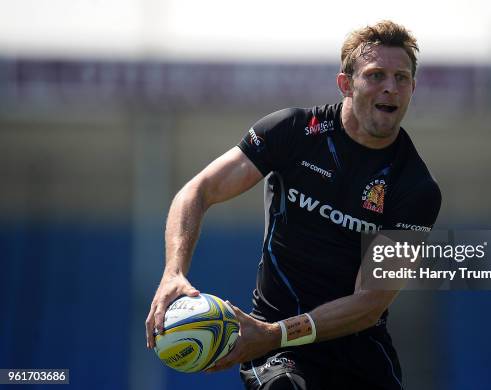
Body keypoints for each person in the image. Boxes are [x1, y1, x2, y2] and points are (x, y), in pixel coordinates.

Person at [145, 20, 441, 390]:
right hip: (279, 352)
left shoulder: (415, 187)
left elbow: (369, 303)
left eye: (401, 78)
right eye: (376, 74)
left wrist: (274, 333)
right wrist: (173, 272)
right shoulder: (293, 132)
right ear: (345, 84)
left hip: (356, 348)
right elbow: (198, 191)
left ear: (413, 88)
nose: (390, 87)